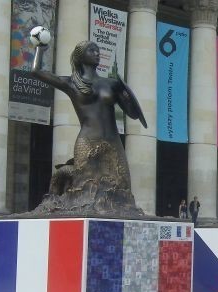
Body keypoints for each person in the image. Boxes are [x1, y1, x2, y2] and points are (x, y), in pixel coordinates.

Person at [30, 39, 146, 215]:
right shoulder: (71, 83)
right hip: (87, 141)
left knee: (122, 188)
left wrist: (126, 96)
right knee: (83, 189)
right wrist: (40, 48)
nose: (97, 53)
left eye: (98, 50)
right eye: (92, 50)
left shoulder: (112, 84)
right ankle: (62, 183)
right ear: (80, 56)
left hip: (112, 142)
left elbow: (133, 113)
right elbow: (36, 71)